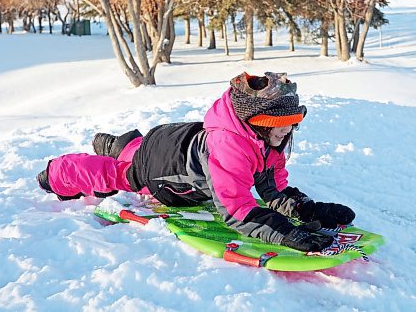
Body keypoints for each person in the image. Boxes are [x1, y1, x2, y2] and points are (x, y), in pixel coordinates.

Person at [37, 72, 355, 252]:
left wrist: (310, 210)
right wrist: (284, 232)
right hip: (161, 167)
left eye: (292, 124)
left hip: (175, 137)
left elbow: (273, 190)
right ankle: (57, 173)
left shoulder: (270, 139)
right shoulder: (229, 147)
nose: (288, 131)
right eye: (281, 124)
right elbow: (236, 210)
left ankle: (117, 143)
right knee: (121, 174)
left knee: (131, 148)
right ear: (257, 121)